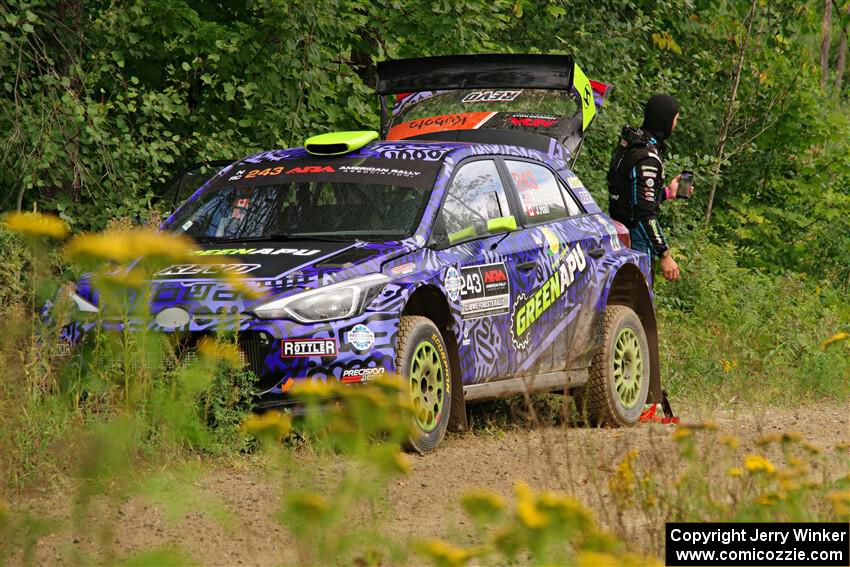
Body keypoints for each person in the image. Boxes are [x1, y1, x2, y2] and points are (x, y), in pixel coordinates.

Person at [607, 94, 693, 281]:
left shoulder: (632, 142)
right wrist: (664, 255)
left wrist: (668, 193)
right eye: (675, 119)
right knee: (637, 304)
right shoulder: (647, 157)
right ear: (666, 120)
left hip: (619, 232)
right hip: (635, 242)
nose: (675, 125)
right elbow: (643, 213)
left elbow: (631, 197)